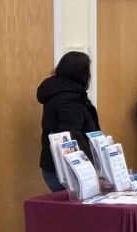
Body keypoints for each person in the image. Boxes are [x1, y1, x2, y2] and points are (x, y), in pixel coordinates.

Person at [37, 51, 100, 192]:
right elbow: (72, 135)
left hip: (54, 166)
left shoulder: (59, 92)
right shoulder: (69, 98)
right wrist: (93, 167)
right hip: (69, 168)